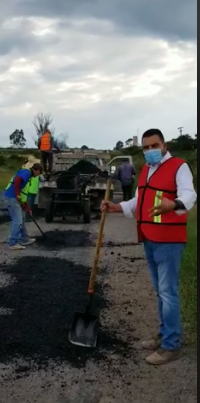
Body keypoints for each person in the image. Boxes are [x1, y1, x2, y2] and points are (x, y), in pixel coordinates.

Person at [101, 129, 197, 366]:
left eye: (154, 145)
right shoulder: (146, 170)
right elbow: (138, 200)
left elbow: (190, 195)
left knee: (168, 291)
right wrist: (116, 208)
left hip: (169, 239)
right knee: (160, 291)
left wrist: (173, 204)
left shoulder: (179, 166)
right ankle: (165, 335)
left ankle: (171, 345)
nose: (149, 151)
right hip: (150, 237)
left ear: (164, 145)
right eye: (145, 147)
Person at [3, 162, 43, 251]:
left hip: (14, 198)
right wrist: (17, 194)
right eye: (39, 173)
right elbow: (17, 180)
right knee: (17, 220)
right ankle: (13, 243)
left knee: (22, 219)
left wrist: (27, 208)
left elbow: (24, 195)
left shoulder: (28, 177)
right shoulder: (27, 172)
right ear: (36, 170)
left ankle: (24, 239)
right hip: (11, 198)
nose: (38, 176)